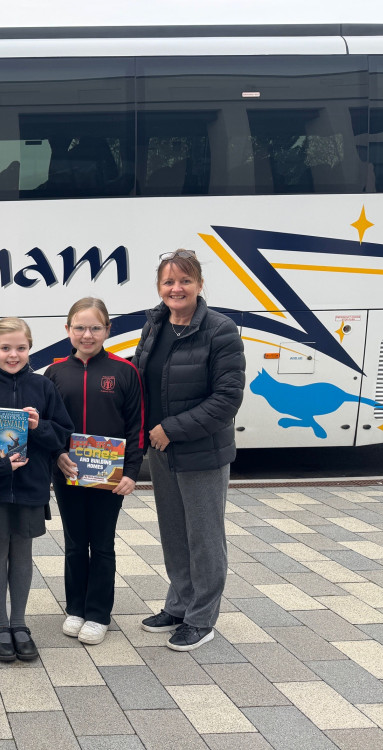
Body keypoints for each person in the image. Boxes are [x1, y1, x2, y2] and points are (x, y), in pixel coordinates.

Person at [133, 249, 245, 651]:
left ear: (199, 284)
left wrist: (171, 429)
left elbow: (227, 398)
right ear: (159, 287)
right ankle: (179, 604)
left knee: (205, 536)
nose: (176, 288)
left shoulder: (220, 330)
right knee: (174, 532)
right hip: (161, 449)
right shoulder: (155, 325)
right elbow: (140, 379)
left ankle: (201, 619)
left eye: (185, 280)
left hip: (201, 452)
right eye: (169, 281)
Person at [0, 318, 72, 662]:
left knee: (22, 552)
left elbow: (62, 434)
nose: (13, 355)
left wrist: (38, 426)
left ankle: (19, 623)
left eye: (21, 348)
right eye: (5, 348)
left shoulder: (43, 387)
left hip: (30, 484)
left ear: (30, 349)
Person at [45, 298, 144, 645]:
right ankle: (75, 608)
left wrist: (132, 471)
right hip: (68, 472)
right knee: (75, 543)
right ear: (68, 330)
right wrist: (57, 455)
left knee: (102, 544)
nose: (87, 335)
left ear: (108, 330)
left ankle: (99, 613)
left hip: (109, 476)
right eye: (80, 328)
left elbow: (136, 426)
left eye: (95, 328)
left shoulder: (124, 371)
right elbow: (48, 424)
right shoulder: (55, 372)